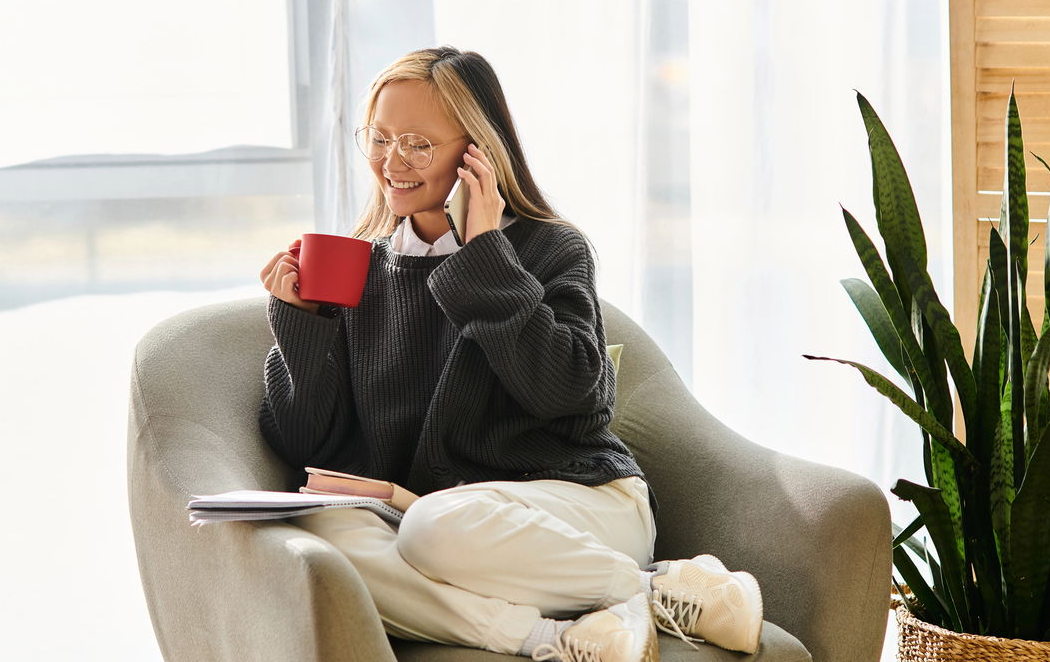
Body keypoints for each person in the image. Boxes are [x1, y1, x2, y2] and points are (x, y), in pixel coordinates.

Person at [257, 45, 763, 662]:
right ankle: (560, 633)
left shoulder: (549, 249)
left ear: (478, 156)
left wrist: (484, 256)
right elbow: (302, 442)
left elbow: (575, 394)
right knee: (322, 535)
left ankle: (643, 583)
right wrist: (301, 325)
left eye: (418, 143)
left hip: (580, 506)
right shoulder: (360, 268)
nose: (391, 162)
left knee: (433, 528)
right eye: (380, 138)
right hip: (443, 524)